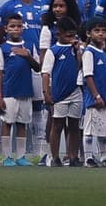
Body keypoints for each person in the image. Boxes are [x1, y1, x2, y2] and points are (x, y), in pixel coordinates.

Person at [39, 16, 91, 167]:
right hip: (59, 94)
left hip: (76, 92)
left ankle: (73, 156)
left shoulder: (78, 50)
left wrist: (78, 51)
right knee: (57, 125)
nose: (71, 39)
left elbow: (82, 67)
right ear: (58, 35)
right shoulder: (53, 51)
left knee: (74, 126)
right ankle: (54, 156)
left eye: (73, 35)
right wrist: (46, 93)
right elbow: (45, 73)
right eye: (68, 36)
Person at [0, 13, 37, 165]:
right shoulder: (2, 48)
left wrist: (27, 56)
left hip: (26, 91)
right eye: (12, 26)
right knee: (7, 123)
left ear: (23, 28)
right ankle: (6, 157)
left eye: (18, 26)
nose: (16, 29)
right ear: (6, 29)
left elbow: (38, 67)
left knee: (22, 124)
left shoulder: (29, 45)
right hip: (9, 92)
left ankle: (21, 157)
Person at [83, 19, 106, 166]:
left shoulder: (103, 52)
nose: (101, 34)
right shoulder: (89, 52)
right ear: (89, 33)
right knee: (90, 129)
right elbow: (88, 75)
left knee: (105, 129)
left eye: (103, 31)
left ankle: (105, 158)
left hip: (105, 97)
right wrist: (96, 95)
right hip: (94, 98)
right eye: (97, 31)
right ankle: (88, 158)